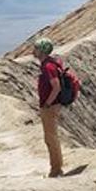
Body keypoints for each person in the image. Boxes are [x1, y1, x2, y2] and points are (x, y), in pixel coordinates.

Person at [32, 37, 65, 177]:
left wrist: (47, 104)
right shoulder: (49, 63)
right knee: (51, 137)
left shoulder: (48, 66)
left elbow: (56, 86)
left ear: (42, 51)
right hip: (52, 105)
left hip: (50, 107)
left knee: (50, 138)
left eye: (36, 48)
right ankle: (57, 166)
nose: (34, 51)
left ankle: (56, 170)